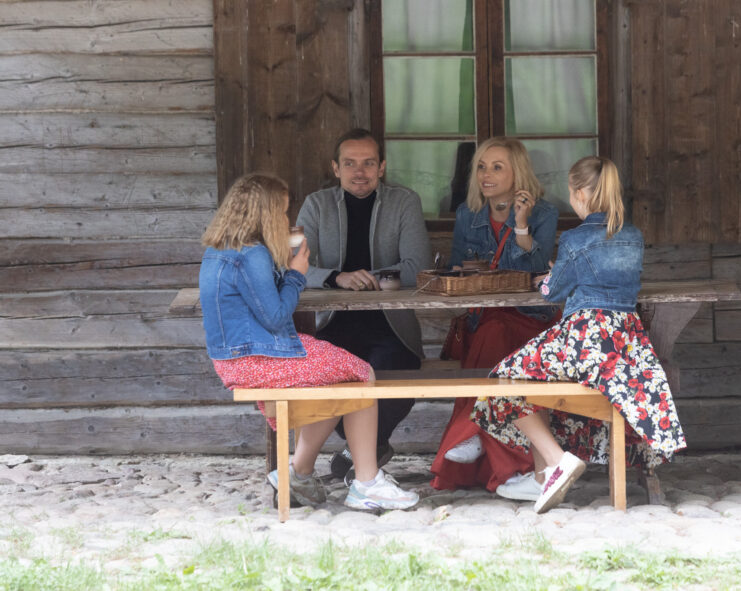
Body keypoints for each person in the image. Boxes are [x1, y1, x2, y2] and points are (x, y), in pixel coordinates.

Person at [471, 156, 687, 513]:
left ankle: (557, 461)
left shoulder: (574, 238)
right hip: (625, 344)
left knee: (505, 380)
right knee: (532, 382)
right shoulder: (633, 237)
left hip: (585, 341)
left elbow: (553, 292)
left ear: (580, 194)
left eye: (571, 193)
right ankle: (544, 478)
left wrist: (548, 278)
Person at [199, 173, 419, 511]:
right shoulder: (252, 254)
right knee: (362, 373)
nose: (285, 219)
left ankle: (299, 472)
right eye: (282, 211)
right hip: (259, 359)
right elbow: (275, 317)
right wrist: (296, 274)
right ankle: (366, 483)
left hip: (240, 358)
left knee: (341, 377)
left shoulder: (219, 251)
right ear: (265, 213)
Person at [295, 129, 433, 481]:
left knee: (396, 373)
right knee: (328, 378)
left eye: (369, 163)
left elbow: (417, 266)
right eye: (350, 163)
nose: (360, 172)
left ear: (382, 167)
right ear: (335, 168)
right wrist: (336, 277)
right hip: (331, 325)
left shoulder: (403, 202)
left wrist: (368, 277)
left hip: (391, 325)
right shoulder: (317, 205)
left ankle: (366, 454)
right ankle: (368, 457)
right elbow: (294, 267)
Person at [430, 137, 560, 497]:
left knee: (495, 335)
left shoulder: (543, 213)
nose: (486, 175)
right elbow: (458, 266)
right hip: (484, 318)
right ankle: (509, 467)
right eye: (482, 167)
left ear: (518, 172)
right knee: (492, 332)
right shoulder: (467, 214)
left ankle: (472, 428)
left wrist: (520, 224)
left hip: (530, 319)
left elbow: (535, 270)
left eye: (497, 167)